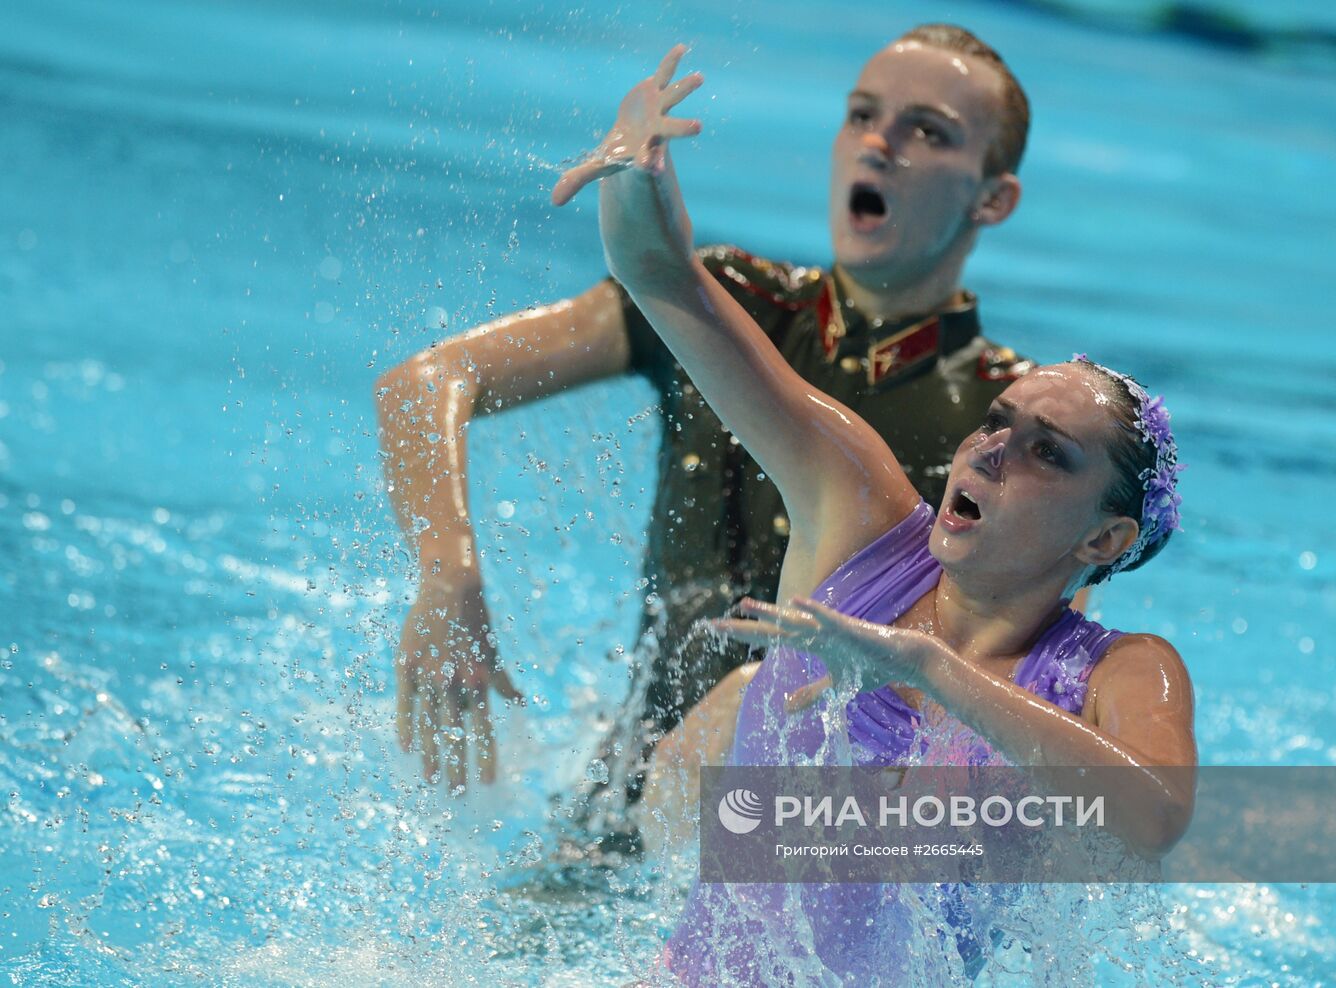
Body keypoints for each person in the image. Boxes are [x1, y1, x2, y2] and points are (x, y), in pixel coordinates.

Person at [551, 45, 1197, 983]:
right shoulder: (857, 518)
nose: (990, 451)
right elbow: (665, 282)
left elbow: (1152, 820)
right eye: (997, 423)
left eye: (1046, 453)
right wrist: (633, 177)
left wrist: (934, 672)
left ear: (1104, 540)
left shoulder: (1121, 672)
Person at [375, 24, 1036, 816]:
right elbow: (427, 382)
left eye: (926, 131)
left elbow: (1029, 695)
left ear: (991, 196)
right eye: (861, 115)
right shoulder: (732, 308)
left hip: (825, 845)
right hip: (628, 807)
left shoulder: (1013, 426)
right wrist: (449, 577)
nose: (878, 145)